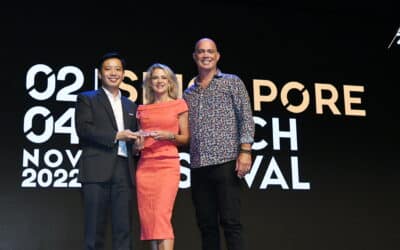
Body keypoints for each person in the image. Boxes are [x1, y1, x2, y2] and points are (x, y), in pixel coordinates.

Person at [183, 38, 255, 250]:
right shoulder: (189, 92)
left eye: (210, 51)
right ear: (195, 56)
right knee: (206, 226)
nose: (206, 55)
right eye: (201, 52)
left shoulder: (232, 81)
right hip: (198, 166)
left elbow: (246, 117)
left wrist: (245, 151)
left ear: (217, 56)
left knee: (231, 223)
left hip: (226, 162)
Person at [75, 52, 139, 250]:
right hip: (96, 169)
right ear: (100, 74)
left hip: (124, 171)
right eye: (108, 69)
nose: (113, 73)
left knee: (124, 231)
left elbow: (133, 137)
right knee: (94, 232)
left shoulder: (131, 105)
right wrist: (116, 135)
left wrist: (137, 144)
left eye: (118, 69)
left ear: (123, 74)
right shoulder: (87, 98)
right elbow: (83, 129)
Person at [135, 63, 189, 250]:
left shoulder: (179, 104)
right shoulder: (142, 109)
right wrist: (137, 146)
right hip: (145, 167)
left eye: (163, 77)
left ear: (170, 82)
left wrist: (169, 136)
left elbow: (185, 138)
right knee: (150, 219)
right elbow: (138, 143)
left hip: (167, 166)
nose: (159, 81)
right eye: (155, 78)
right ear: (150, 83)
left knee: (161, 216)